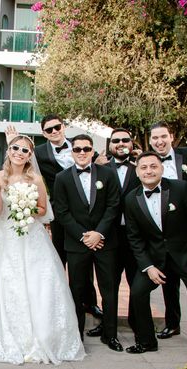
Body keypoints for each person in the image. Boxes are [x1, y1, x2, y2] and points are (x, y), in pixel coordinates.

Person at [0, 135, 85, 364]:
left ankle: (39, 337)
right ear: (8, 151)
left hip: (30, 236)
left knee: (36, 284)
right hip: (1, 236)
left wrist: (25, 208)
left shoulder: (36, 179)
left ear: (30, 155)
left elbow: (43, 210)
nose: (19, 152)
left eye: (25, 150)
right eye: (15, 148)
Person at [124, 152, 187, 357]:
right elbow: (134, 237)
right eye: (143, 167)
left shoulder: (181, 189)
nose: (149, 171)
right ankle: (146, 341)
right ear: (137, 172)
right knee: (137, 292)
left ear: (162, 169)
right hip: (155, 259)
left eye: (153, 166)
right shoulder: (131, 198)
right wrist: (148, 266)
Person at [28, 115, 104, 320]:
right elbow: (23, 163)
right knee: (59, 257)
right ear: (43, 133)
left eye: (57, 127)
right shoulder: (40, 152)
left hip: (87, 213)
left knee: (85, 259)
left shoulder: (81, 146)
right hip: (59, 213)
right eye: (49, 129)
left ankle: (89, 303)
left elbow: (99, 169)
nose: (54, 131)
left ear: (64, 127)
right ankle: (60, 303)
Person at [53, 134, 123, 352]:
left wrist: (99, 234)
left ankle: (110, 335)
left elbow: (114, 205)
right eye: (77, 149)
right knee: (77, 290)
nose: (82, 153)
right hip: (76, 244)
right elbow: (62, 212)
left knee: (109, 289)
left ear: (93, 151)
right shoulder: (62, 178)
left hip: (105, 243)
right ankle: (76, 336)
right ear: (72, 152)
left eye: (86, 149)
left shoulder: (108, 174)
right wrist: (84, 236)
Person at [148, 121, 187, 340]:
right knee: (169, 285)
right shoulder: (148, 162)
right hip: (164, 234)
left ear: (171, 136)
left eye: (163, 136)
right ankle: (173, 323)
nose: (159, 141)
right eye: (155, 138)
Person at [86, 128, 141, 337]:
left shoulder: (139, 169)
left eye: (125, 140)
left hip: (133, 235)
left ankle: (137, 323)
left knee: (136, 283)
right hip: (107, 236)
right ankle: (108, 325)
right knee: (108, 284)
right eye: (116, 140)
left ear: (131, 143)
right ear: (110, 145)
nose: (120, 143)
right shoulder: (98, 169)